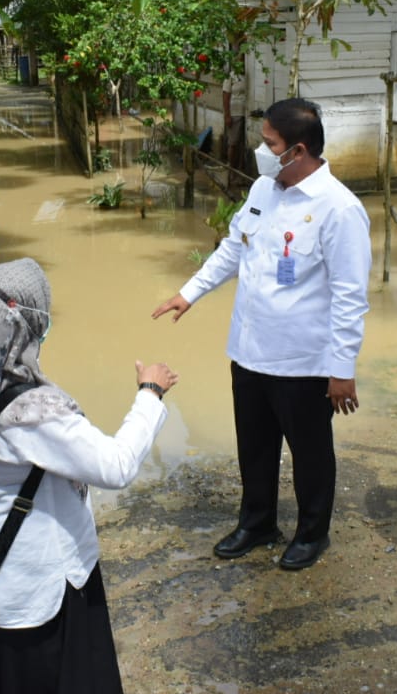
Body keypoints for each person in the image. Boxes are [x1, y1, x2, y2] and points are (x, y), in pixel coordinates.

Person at [0, 258, 177, 694]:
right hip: (37, 591)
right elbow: (114, 464)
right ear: (26, 327)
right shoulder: (30, 410)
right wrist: (149, 393)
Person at [151, 98, 371, 571]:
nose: (260, 150)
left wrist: (342, 370)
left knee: (310, 454)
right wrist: (189, 293)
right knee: (254, 445)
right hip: (250, 351)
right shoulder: (264, 191)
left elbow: (351, 298)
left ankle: (312, 533)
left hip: (302, 361)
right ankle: (257, 522)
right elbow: (233, 249)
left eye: (268, 143)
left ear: (297, 150)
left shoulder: (339, 210)